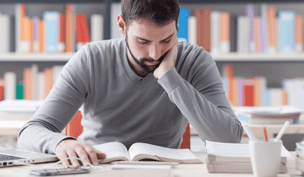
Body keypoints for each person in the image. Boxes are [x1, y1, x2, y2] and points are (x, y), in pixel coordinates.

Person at [18, 0, 243, 168]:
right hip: (97, 169)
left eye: (166, 40)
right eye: (142, 41)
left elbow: (229, 140)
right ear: (122, 26)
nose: (155, 54)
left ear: (177, 27)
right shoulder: (91, 59)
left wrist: (170, 77)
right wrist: (61, 143)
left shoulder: (195, 60)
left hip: (163, 171)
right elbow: (30, 131)